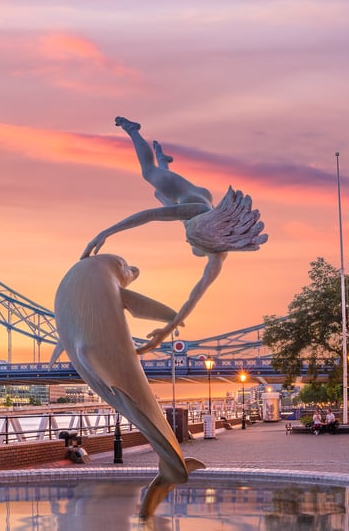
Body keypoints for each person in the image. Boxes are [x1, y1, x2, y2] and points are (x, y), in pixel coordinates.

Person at [81, 117, 267, 354]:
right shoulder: (195, 211)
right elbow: (148, 216)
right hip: (193, 196)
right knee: (149, 173)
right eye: (188, 234)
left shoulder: (217, 259)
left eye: (190, 239)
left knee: (161, 195)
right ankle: (133, 130)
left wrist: (165, 333)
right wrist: (105, 233)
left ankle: (164, 161)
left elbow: (192, 299)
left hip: (196, 210)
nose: (185, 239)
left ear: (208, 246)